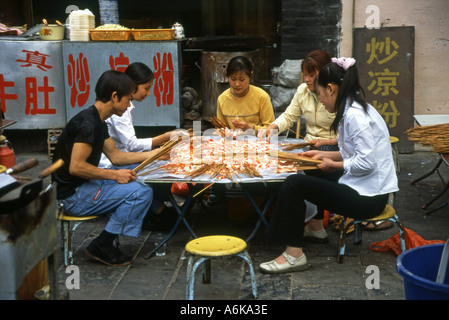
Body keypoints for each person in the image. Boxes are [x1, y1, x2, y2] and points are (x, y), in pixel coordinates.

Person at [259, 57, 399, 274]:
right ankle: (315, 229)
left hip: (368, 199)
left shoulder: (355, 116)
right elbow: (354, 153)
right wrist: (324, 156)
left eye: (321, 94)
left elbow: (367, 163)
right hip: (362, 186)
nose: (321, 100)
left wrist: (334, 165)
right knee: (309, 167)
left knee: (294, 184)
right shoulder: (352, 108)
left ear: (331, 89)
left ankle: (294, 254)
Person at [52, 70, 161, 267]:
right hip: (71, 196)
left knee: (138, 171)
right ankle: (102, 244)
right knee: (141, 192)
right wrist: (113, 175)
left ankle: (129, 223)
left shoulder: (97, 120)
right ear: (114, 96)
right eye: (127, 99)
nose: (129, 105)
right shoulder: (88, 124)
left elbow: (117, 157)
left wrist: (157, 155)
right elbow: (76, 167)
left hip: (84, 185)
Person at [258, 50, 341, 240]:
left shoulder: (335, 93)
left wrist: (327, 143)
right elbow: (289, 116)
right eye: (305, 74)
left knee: (300, 178)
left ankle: (299, 226)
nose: (308, 79)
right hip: (309, 144)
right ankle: (314, 224)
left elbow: (345, 135)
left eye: (312, 75)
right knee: (281, 163)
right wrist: (271, 127)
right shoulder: (303, 90)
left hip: (334, 147)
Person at [97, 62, 177, 230]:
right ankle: (156, 211)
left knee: (161, 166)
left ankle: (157, 209)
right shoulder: (117, 109)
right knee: (154, 173)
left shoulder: (124, 105)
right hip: (110, 164)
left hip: (119, 157)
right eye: (146, 88)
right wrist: (162, 140)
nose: (148, 93)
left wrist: (158, 151)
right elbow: (130, 146)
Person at [216, 56, 275, 134]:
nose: (237, 84)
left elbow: (272, 130)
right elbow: (221, 128)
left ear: (250, 76)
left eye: (242, 79)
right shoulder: (222, 99)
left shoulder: (262, 97)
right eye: (233, 79)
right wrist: (224, 132)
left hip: (258, 143)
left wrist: (250, 128)